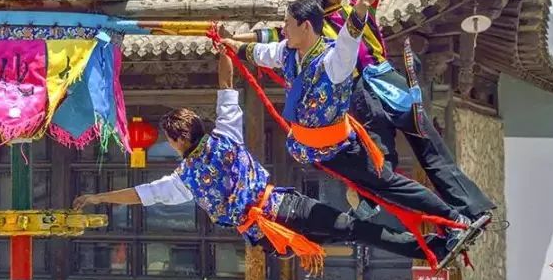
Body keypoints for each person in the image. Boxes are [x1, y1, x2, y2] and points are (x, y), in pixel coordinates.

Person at [234, 0, 495, 236]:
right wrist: (237, 39)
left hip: (378, 92)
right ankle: (451, 219)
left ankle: (454, 215)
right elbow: (272, 34)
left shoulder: (345, 11)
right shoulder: (322, 22)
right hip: (369, 98)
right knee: (402, 159)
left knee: (405, 159)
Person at [72, 43, 452, 267]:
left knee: (351, 232)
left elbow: (139, 195)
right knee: (354, 228)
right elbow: (225, 85)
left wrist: (97, 197)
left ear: (176, 141)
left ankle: (427, 247)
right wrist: (221, 46)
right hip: (284, 210)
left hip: (266, 237)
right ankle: (430, 246)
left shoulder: (183, 178)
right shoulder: (225, 135)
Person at [221, 0, 485, 270]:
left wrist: (362, 6)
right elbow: (258, 53)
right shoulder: (287, 53)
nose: (284, 28)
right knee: (377, 189)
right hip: (320, 154)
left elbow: (350, 37)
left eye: (288, 23)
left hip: (341, 148)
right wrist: (231, 44)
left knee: (387, 183)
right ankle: (441, 227)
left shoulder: (334, 61)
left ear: (306, 26)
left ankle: (454, 220)